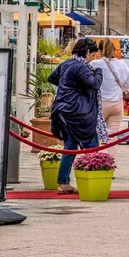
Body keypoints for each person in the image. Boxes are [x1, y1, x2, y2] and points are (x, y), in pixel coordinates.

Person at [48, 38, 103, 195]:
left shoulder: (67, 64)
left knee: (70, 147)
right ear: (87, 52)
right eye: (92, 56)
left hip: (62, 110)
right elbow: (94, 84)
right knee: (92, 145)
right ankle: (92, 178)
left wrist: (69, 86)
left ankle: (63, 182)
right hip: (78, 113)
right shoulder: (81, 67)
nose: (93, 59)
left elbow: (51, 78)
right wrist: (99, 73)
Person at [91, 39, 129, 137]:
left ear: (99, 51)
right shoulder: (122, 64)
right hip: (117, 103)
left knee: (94, 136)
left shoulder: (94, 64)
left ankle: (97, 153)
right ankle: (110, 153)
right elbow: (127, 85)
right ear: (114, 50)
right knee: (112, 137)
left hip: (99, 103)